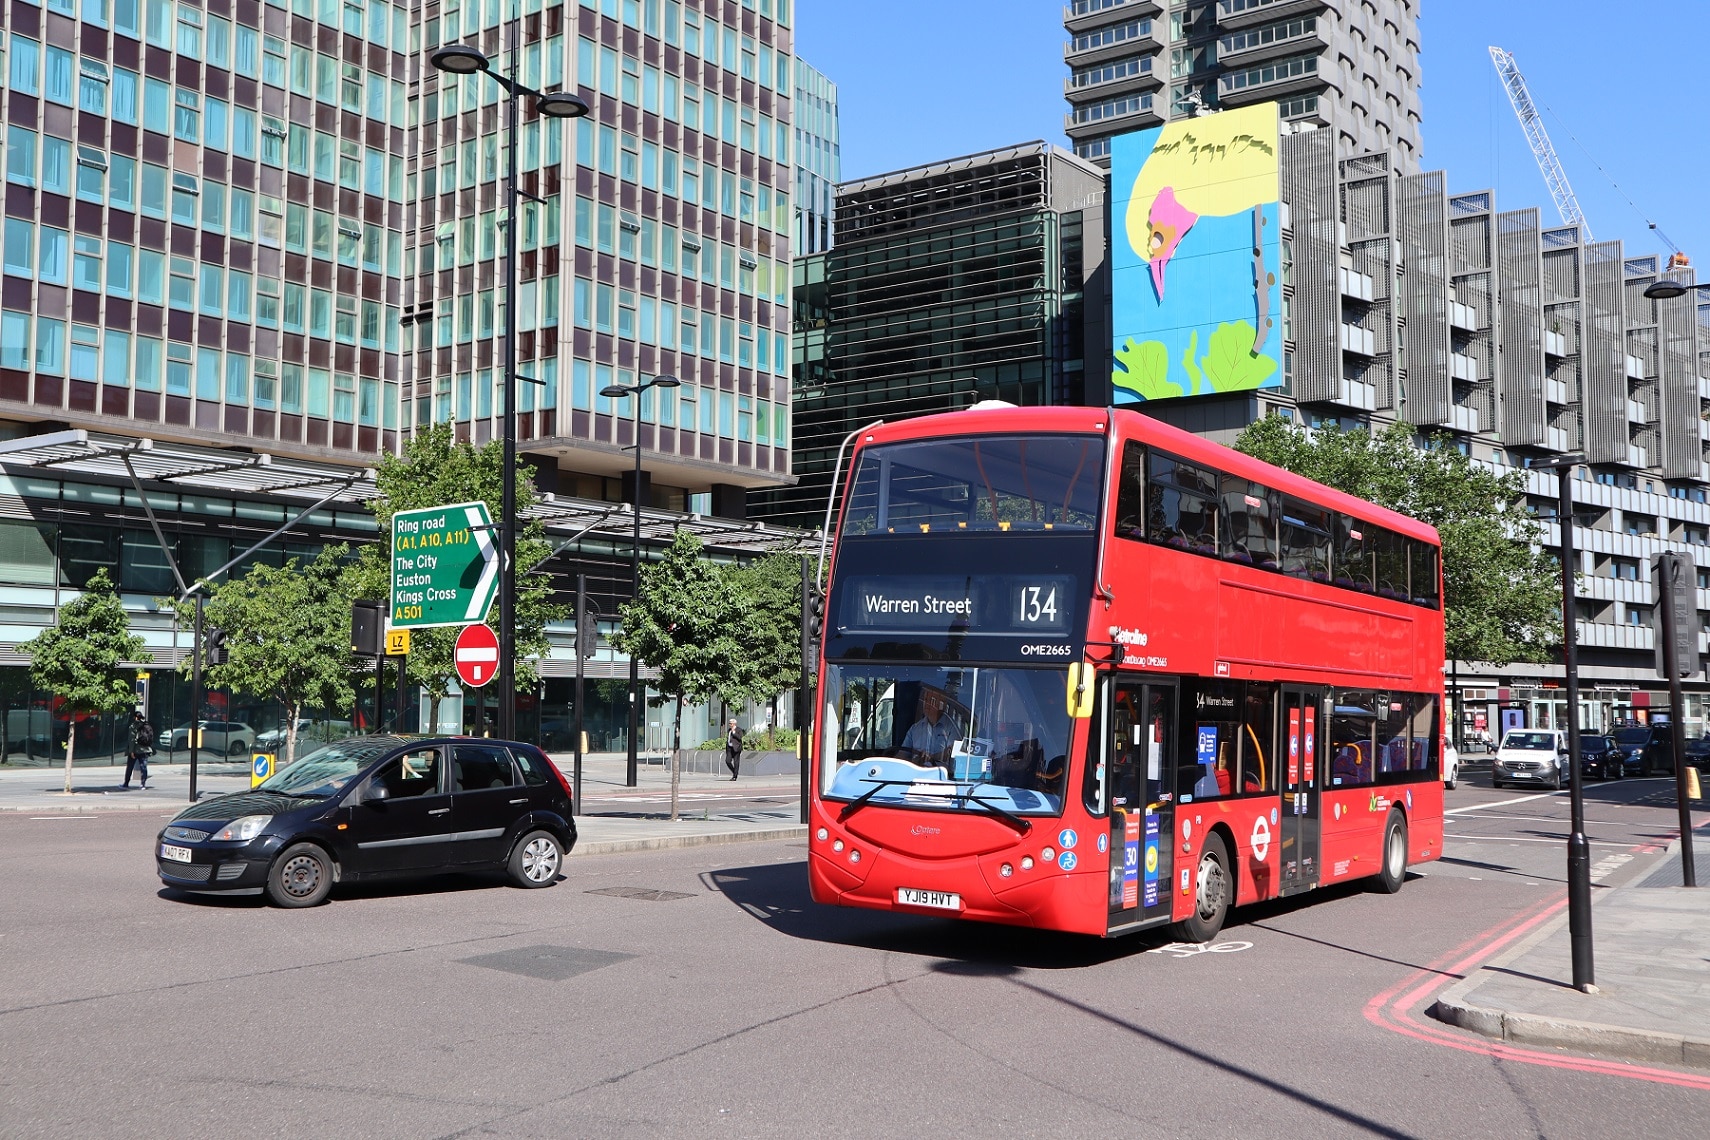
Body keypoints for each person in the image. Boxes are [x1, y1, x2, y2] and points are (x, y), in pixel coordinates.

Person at [897, 687, 960, 767]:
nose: (927, 703)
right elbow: (903, 753)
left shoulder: (951, 728)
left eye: (932, 700)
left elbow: (953, 755)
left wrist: (932, 757)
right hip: (915, 774)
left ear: (942, 704)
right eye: (925, 699)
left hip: (940, 776)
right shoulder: (915, 728)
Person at [122, 709, 153, 790]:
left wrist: (131, 751)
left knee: (130, 767)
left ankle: (126, 783)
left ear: (135, 717)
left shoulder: (133, 726)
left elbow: (131, 740)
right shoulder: (146, 725)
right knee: (144, 767)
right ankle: (143, 784)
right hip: (145, 749)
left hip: (135, 750)